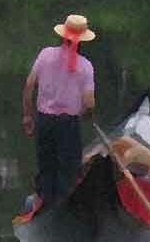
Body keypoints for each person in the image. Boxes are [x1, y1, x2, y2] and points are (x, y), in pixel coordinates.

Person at [22, 14, 96, 208]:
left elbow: (29, 86)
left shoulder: (45, 54)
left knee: (46, 167)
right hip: (68, 125)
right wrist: (87, 115)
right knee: (69, 171)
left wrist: (28, 117)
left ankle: (45, 206)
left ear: (62, 35)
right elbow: (89, 104)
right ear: (82, 41)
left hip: (44, 122)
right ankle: (63, 210)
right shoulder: (86, 66)